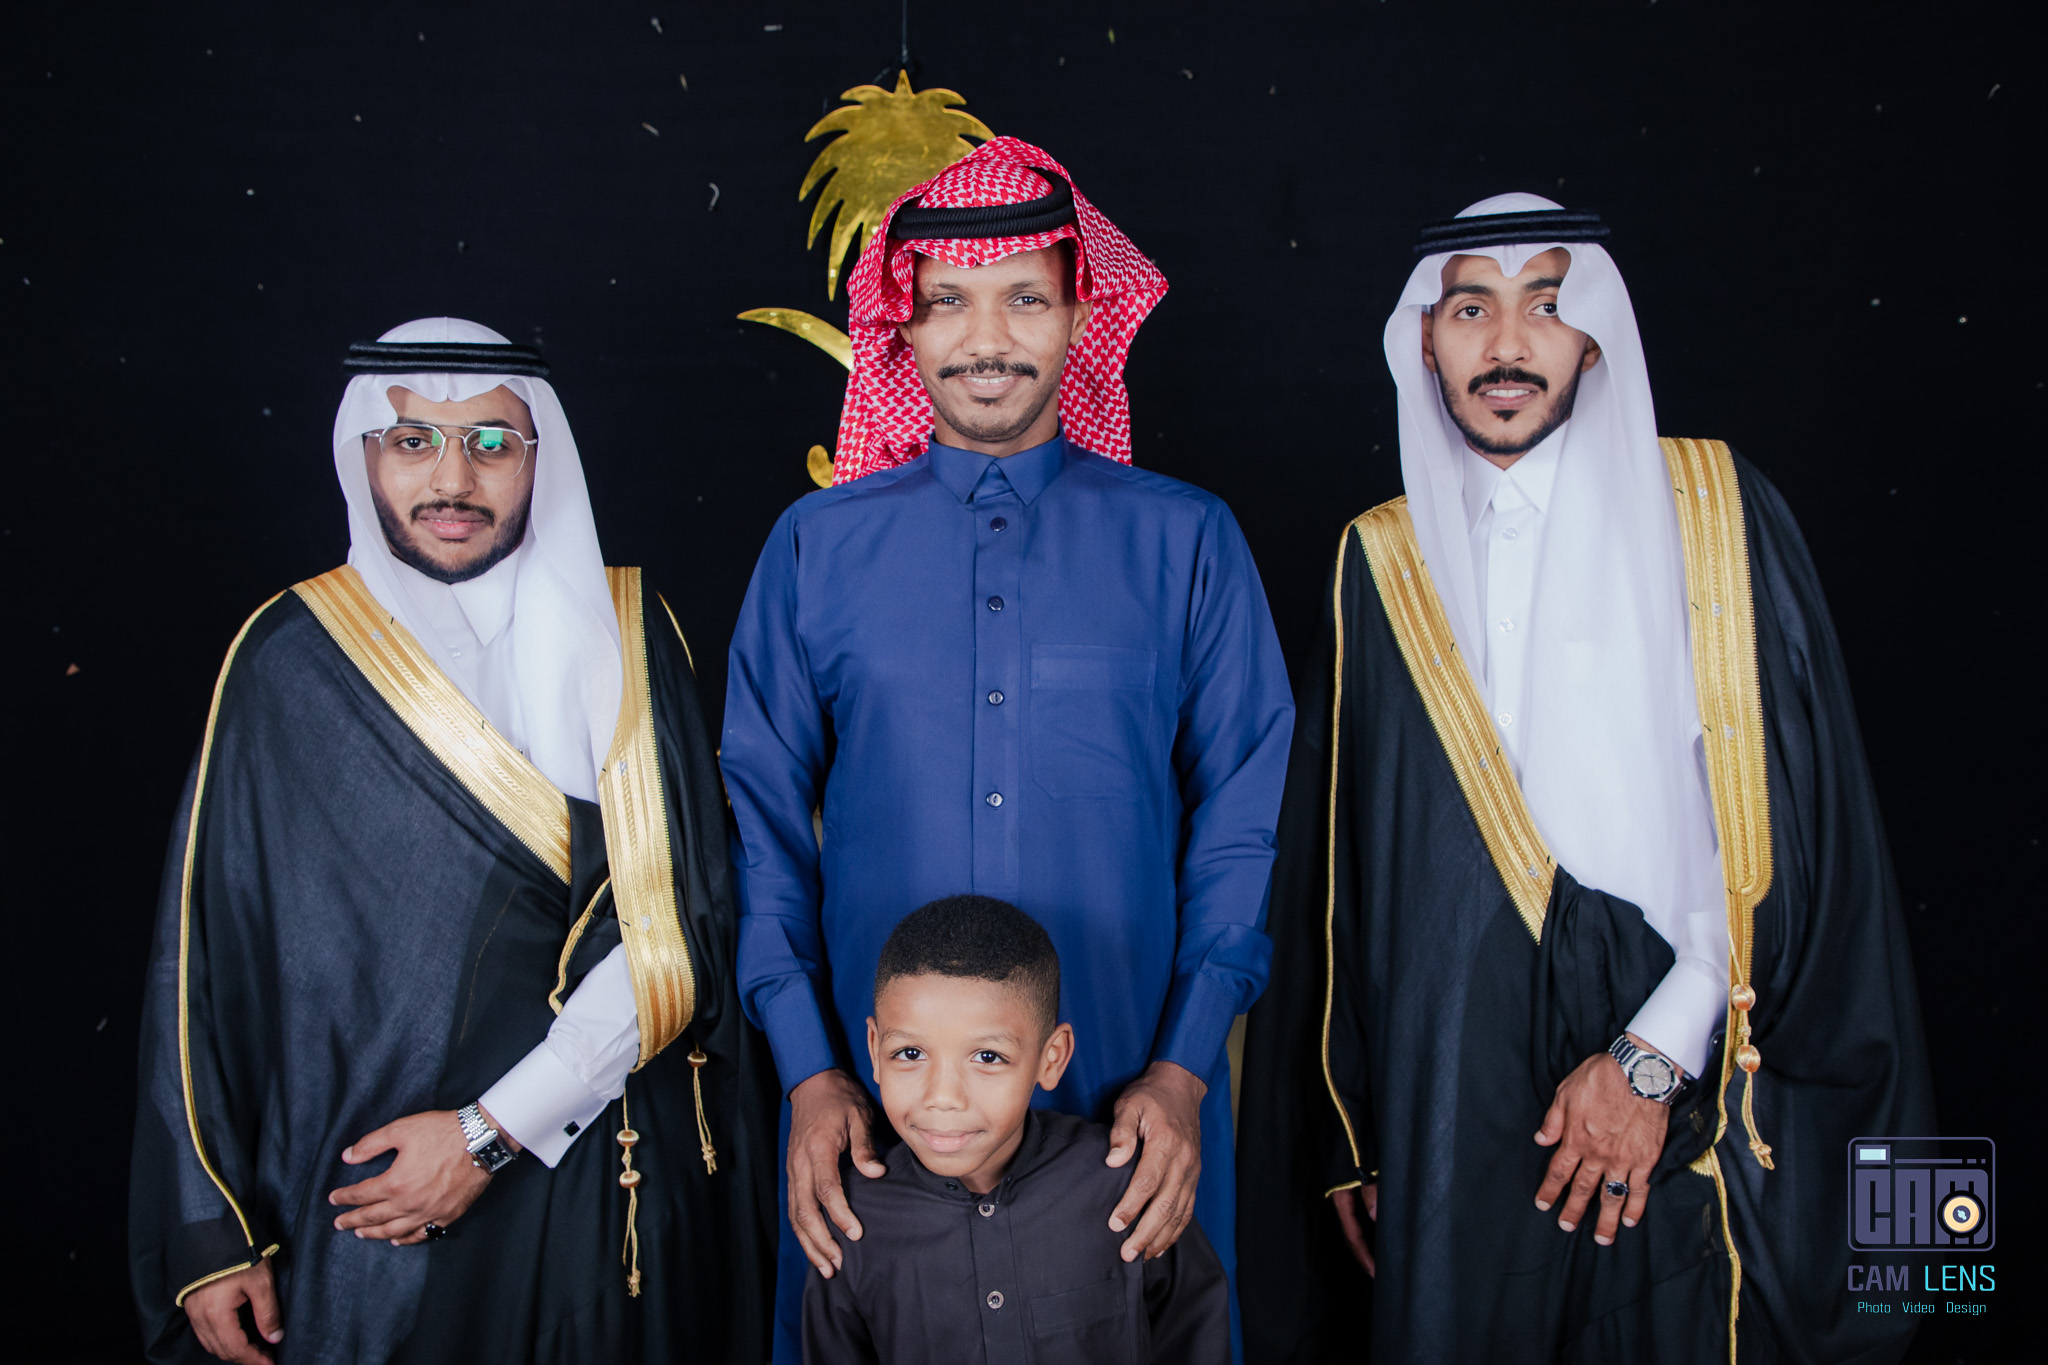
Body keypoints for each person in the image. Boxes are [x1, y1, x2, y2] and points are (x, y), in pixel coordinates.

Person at [1237, 197, 1935, 1363]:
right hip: (1451, 1097)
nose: (1506, 344)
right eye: (1471, 310)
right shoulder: (1379, 557)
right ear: (1424, 341)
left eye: (1547, 307)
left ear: (1595, 339)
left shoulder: (1710, 509)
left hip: (1685, 1070)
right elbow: (1339, 870)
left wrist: (1649, 1061)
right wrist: (1352, 1128)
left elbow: (1789, 825)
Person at [721, 136, 1294, 1361]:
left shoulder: (1185, 542)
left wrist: (1183, 1074)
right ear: (903, 324)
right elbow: (761, 834)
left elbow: (1240, 825)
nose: (986, 338)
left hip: (1129, 1095)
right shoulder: (816, 549)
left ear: (1081, 317)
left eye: (1024, 299)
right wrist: (811, 1077)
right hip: (878, 1112)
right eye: (948, 303)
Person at [129, 319, 779, 1364]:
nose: (451, 479)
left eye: (489, 442)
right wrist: (212, 1230)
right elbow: (202, 960)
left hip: (595, 1172)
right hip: (355, 1194)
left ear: (538, 456)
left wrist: (491, 1132)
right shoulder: (284, 658)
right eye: (412, 441)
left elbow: (678, 919)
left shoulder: (626, 634)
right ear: (365, 456)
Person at [803, 895, 1230, 1364]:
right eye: (910, 1054)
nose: (943, 1096)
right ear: (874, 1048)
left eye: (988, 1057)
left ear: (1051, 1058)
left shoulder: (1125, 1186)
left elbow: (1196, 1336)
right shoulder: (851, 1218)